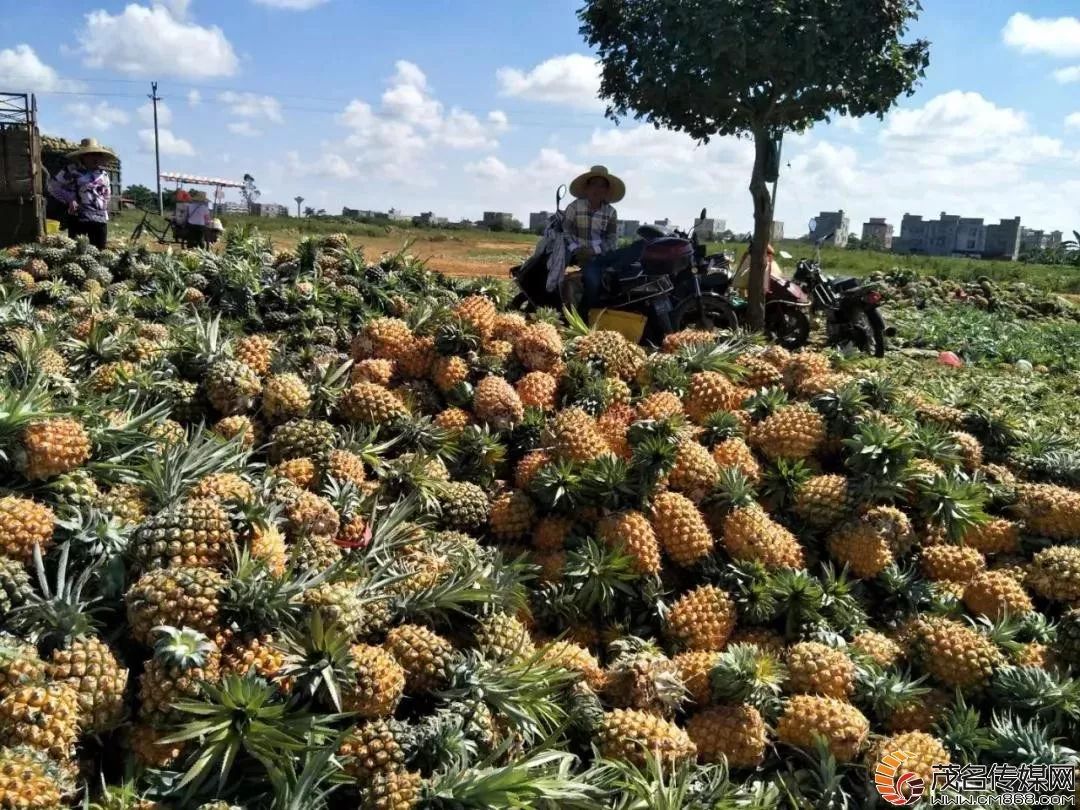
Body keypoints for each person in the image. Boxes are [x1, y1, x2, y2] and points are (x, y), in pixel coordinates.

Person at [563, 165, 635, 317]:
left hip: (600, 255)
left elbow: (612, 239)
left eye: (602, 186)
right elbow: (566, 231)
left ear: (606, 191)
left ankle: (589, 314)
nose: (597, 189)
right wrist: (576, 248)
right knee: (588, 281)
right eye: (594, 184)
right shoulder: (574, 207)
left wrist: (594, 251)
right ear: (587, 187)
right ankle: (575, 312)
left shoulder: (610, 212)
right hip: (578, 253)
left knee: (635, 252)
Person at [46, 138, 114, 249]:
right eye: (91, 154)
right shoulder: (71, 171)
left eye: (98, 154)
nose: (95, 158)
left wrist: (103, 209)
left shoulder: (104, 175)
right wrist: (70, 199)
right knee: (77, 251)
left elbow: (107, 196)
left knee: (99, 251)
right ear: (83, 156)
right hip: (79, 219)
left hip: (99, 220)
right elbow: (53, 186)